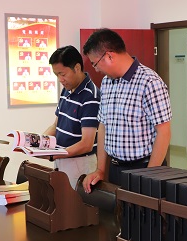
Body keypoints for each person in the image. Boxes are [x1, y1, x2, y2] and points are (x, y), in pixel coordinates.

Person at [81, 28, 172, 192]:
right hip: (115, 169)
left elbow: (164, 133)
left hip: (144, 168)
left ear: (109, 56)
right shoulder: (107, 83)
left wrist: (149, 177)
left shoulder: (150, 82)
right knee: (118, 209)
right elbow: (103, 126)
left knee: (141, 210)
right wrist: (100, 169)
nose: (96, 69)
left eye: (95, 63)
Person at [42, 45, 100, 189]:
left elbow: (86, 144)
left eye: (62, 74)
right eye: (56, 75)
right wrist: (38, 142)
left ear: (77, 68)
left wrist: (55, 154)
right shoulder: (67, 90)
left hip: (79, 164)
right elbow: (56, 126)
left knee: (74, 202)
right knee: (59, 199)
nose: (60, 79)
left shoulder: (90, 96)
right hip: (62, 158)